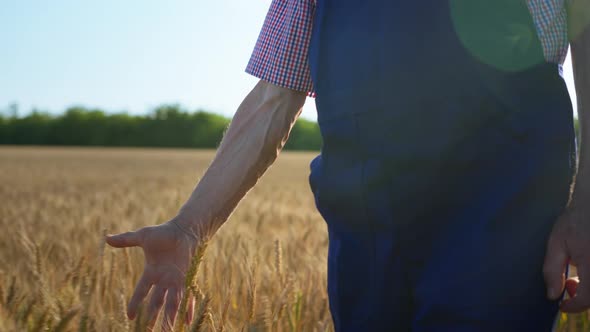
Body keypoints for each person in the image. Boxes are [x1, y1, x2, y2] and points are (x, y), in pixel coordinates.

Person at [106, 0, 590, 331]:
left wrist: (585, 207)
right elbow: (276, 96)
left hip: (501, 203)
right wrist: (189, 227)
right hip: (369, 224)